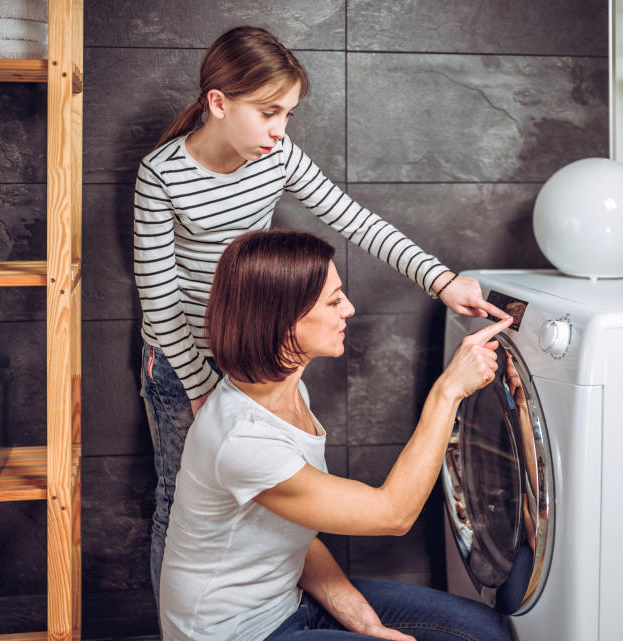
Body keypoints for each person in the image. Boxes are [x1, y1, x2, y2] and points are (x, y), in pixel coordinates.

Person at [134, 25, 508, 599]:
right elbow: (158, 299)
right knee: (178, 496)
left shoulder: (277, 157)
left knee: (268, 495)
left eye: (287, 114)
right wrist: (201, 388)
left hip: (255, 353)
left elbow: (355, 220)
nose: (280, 130)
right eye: (268, 113)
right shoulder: (161, 174)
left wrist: (441, 280)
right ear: (218, 103)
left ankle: (269, 610)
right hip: (183, 359)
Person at [158, 229, 514, 641]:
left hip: (289, 601)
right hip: (236, 634)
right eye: (333, 300)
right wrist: (448, 389)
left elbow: (293, 533)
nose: (349, 308)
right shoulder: (244, 438)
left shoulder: (287, 391)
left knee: (482, 632)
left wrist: (364, 622)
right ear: (282, 319)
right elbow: (392, 515)